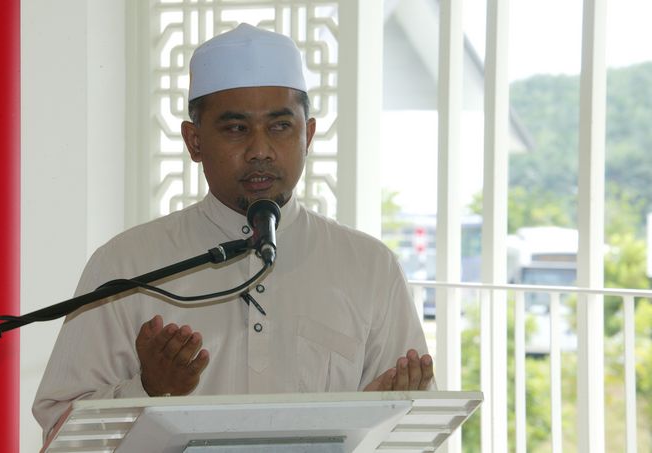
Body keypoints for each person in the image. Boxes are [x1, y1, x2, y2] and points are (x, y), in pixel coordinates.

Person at [33, 23, 434, 440]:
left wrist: (379, 419)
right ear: (194, 141)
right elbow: (61, 430)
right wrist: (148, 390)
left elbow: (414, 430)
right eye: (236, 128)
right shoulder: (126, 264)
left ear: (308, 135)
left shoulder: (369, 266)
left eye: (280, 126)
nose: (260, 150)